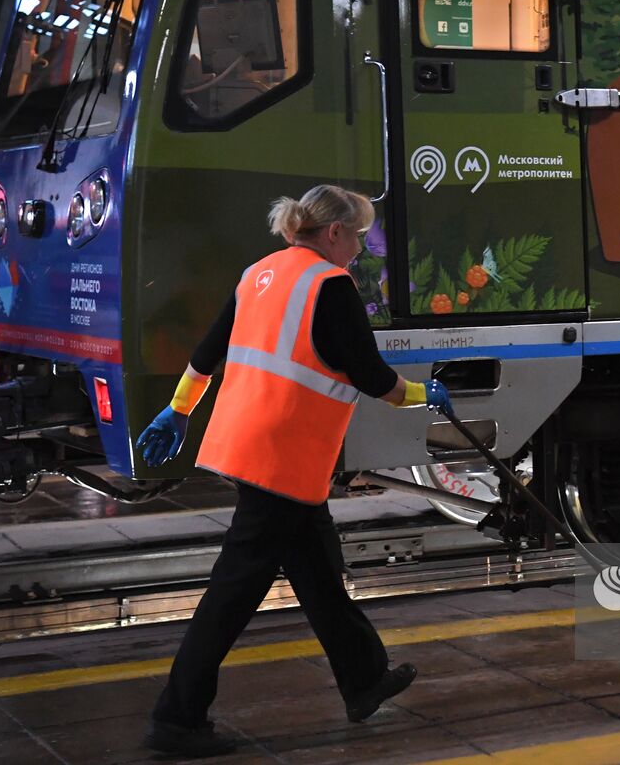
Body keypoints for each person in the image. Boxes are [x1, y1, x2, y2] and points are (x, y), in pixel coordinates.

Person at [136, 184, 452, 758]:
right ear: (334, 233)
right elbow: (369, 375)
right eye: (357, 236)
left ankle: (364, 681)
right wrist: (423, 395)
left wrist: (178, 410)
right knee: (231, 596)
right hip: (283, 456)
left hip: (251, 446)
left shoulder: (260, 272)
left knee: (318, 568)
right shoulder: (331, 285)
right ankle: (176, 720)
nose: (359, 248)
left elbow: (208, 351)